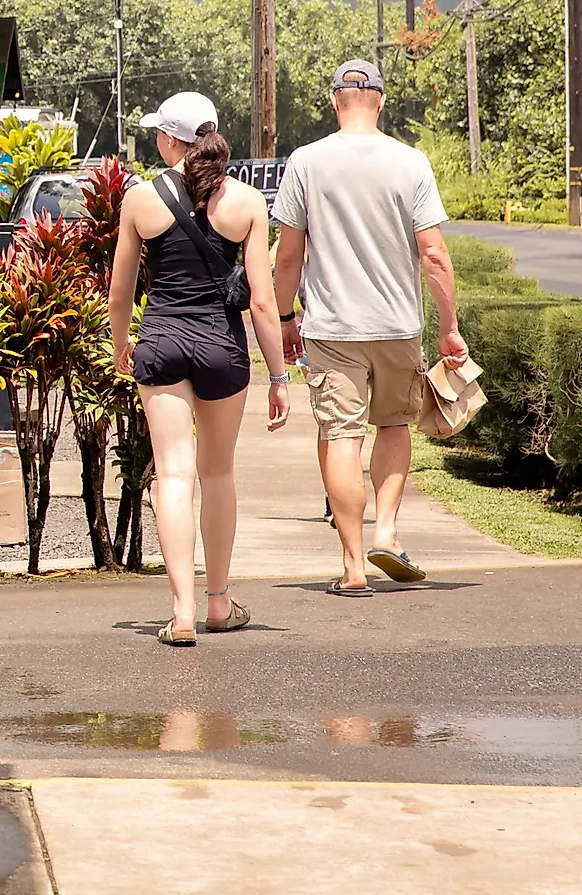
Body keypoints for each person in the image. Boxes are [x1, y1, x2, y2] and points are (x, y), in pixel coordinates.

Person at [271, 59, 467, 597]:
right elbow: (434, 254)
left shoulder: (306, 162)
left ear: (336, 101)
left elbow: (288, 257)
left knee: (339, 435)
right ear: (379, 100)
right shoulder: (410, 162)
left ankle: (354, 565)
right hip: (397, 325)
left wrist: (286, 318)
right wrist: (448, 327)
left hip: (333, 328)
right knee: (394, 427)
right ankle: (388, 530)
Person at [106, 91, 291, 646]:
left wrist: (122, 344)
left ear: (169, 140)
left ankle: (182, 612)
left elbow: (120, 291)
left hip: (161, 339)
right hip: (220, 345)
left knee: (174, 474)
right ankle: (219, 602)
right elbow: (262, 299)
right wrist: (279, 376)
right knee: (218, 473)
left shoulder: (140, 199)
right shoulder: (247, 202)